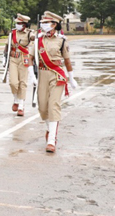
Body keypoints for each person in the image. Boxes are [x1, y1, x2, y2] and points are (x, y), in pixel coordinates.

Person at [36, 11, 78, 153]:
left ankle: (52, 139)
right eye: (43, 22)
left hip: (57, 75)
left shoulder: (62, 40)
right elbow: (30, 58)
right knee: (42, 107)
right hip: (42, 74)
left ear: (54, 24)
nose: (43, 25)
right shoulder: (38, 40)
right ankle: (50, 128)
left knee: (53, 104)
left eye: (46, 22)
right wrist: (31, 74)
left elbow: (66, 60)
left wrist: (71, 78)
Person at [5, 14, 37, 117]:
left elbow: (33, 37)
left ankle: (21, 106)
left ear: (24, 24)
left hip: (24, 58)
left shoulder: (29, 33)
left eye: (19, 23)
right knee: (13, 82)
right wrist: (4, 58)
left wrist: (35, 37)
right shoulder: (12, 33)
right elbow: (7, 45)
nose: (17, 25)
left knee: (23, 82)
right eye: (17, 23)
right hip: (13, 58)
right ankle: (16, 98)